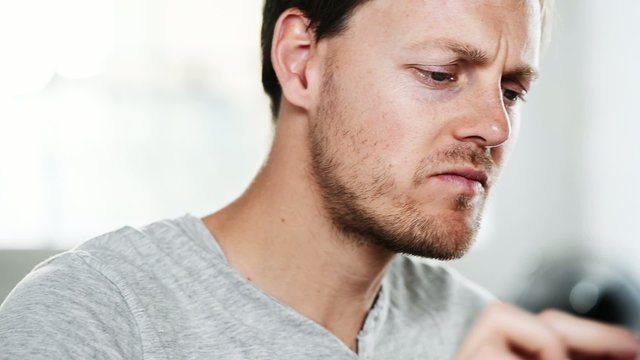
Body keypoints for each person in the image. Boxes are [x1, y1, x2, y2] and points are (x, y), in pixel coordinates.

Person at [1, 0, 638, 359]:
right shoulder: (98, 320)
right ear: (301, 62)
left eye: (511, 90)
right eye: (441, 74)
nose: (494, 129)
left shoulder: (478, 334)